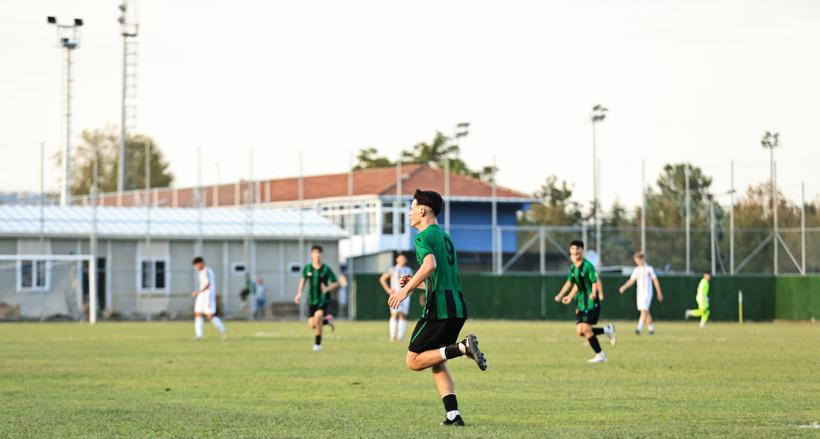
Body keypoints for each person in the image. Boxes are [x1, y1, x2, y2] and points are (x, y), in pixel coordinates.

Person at [388, 189, 487, 427]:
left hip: (440, 309)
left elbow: (430, 264)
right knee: (437, 361)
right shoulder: (445, 237)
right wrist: (414, 282)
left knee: (413, 361)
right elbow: (441, 278)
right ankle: (453, 415)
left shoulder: (422, 237)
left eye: (412, 208)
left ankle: (463, 347)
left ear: (422, 211)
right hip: (457, 307)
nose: (410, 213)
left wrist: (404, 290)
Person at [554, 240, 615, 363]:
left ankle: (601, 355)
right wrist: (564, 295)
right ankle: (607, 330)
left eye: (578, 248)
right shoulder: (572, 267)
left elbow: (594, 281)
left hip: (591, 301)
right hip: (580, 301)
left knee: (587, 330)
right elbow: (572, 284)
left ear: (582, 250)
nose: (575, 251)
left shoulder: (588, 266)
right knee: (580, 331)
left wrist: (594, 293)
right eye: (572, 249)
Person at [294, 245, 339, 351]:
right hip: (311, 299)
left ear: (321, 255)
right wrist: (299, 293)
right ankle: (327, 321)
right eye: (315, 252)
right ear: (311, 255)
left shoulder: (326, 269)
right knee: (312, 324)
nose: (317, 255)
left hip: (323, 299)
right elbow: (303, 280)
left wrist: (328, 288)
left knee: (318, 316)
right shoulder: (307, 268)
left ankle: (318, 345)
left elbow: (335, 283)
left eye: (319, 252)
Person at [618, 252, 664, 335]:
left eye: (639, 260)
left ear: (643, 259)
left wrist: (659, 292)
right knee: (645, 311)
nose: (638, 262)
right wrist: (624, 287)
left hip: (647, 292)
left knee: (644, 310)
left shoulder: (649, 269)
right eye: (636, 260)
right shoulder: (636, 270)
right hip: (639, 293)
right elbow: (631, 280)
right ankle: (651, 329)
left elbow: (655, 281)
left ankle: (638, 328)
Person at [379, 254, 414, 341]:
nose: (402, 260)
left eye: (404, 258)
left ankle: (400, 336)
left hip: (405, 295)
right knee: (394, 314)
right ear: (397, 260)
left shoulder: (408, 270)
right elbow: (382, 278)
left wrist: (410, 291)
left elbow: (413, 281)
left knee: (403, 315)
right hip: (395, 294)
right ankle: (392, 336)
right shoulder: (393, 269)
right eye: (401, 258)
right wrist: (388, 290)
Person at [190, 257, 227, 340]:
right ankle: (199, 335)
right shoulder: (200, 273)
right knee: (198, 314)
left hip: (208, 296)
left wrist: (197, 292)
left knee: (210, 316)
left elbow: (208, 285)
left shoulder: (207, 271)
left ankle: (223, 330)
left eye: (196, 265)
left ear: (200, 263)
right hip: (201, 296)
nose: (195, 267)